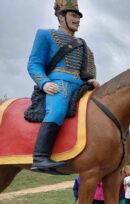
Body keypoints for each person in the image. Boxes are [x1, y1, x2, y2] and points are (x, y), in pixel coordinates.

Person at [27, 0, 99, 172]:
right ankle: (40, 156)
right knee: (58, 108)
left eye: (78, 17)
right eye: (73, 15)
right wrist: (44, 83)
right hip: (58, 84)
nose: (77, 20)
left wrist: (90, 80)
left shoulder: (82, 44)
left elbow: (85, 72)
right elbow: (34, 64)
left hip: (80, 86)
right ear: (61, 17)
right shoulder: (45, 35)